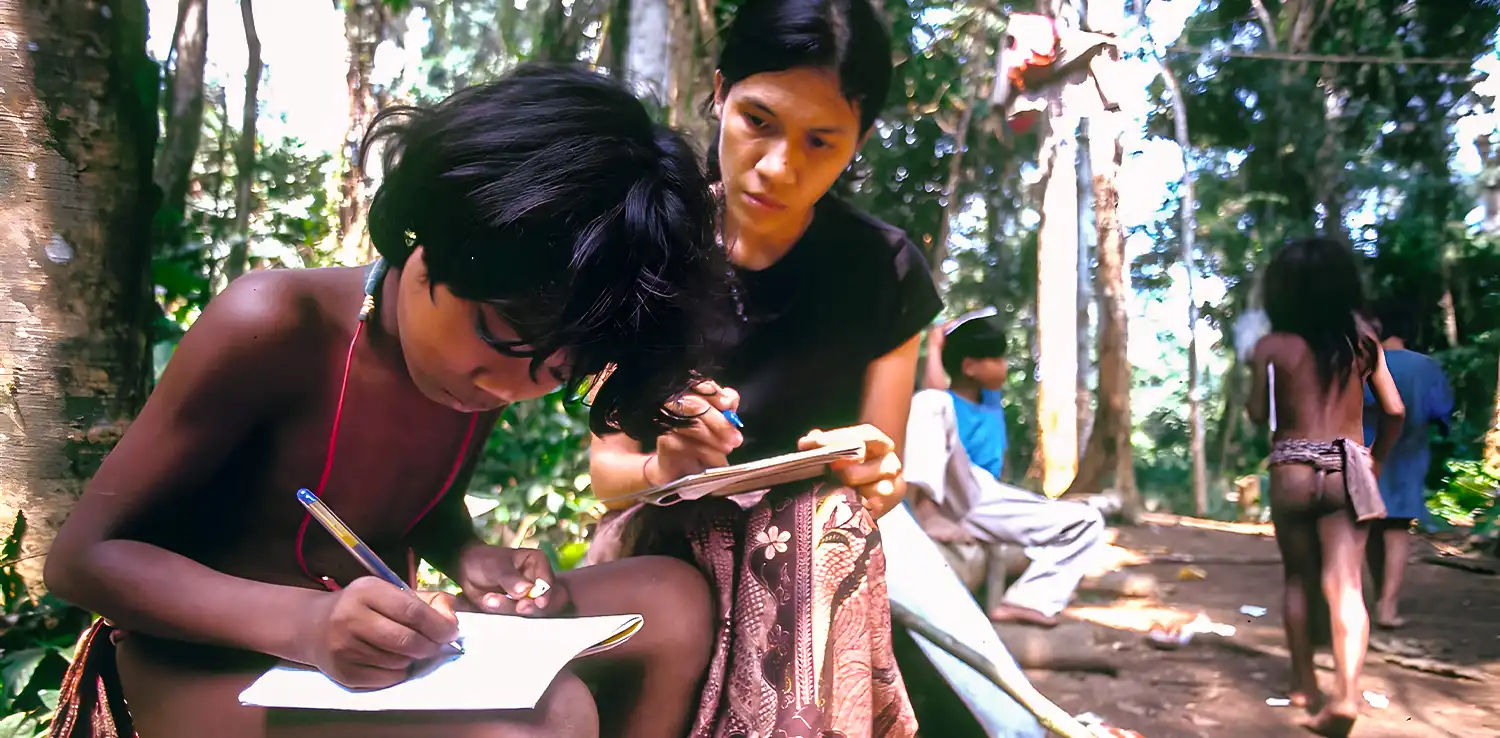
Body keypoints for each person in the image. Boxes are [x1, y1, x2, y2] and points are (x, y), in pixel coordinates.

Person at [44, 64, 724, 738]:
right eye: (498, 335)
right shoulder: (272, 322)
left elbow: (401, 495)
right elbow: (83, 560)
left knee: (673, 600)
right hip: (210, 667)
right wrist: (304, 626)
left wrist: (467, 555)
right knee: (546, 720)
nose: (505, 389)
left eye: (557, 370)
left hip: (374, 645)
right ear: (435, 237)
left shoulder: (481, 353)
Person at [585, 0, 936, 734]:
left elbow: (873, 476)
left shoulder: (885, 272)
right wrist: (664, 468)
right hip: (665, 537)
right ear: (719, 93)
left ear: (859, 143)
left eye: (821, 142)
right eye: (758, 121)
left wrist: (876, 475)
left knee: (826, 520)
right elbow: (609, 476)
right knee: (754, 532)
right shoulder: (653, 248)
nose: (779, 166)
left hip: (812, 555)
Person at [1246, 238, 1405, 738]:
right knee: (1346, 584)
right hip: (1348, 465)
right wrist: (1375, 460)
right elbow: (1395, 411)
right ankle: (1345, 696)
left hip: (1292, 465)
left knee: (1297, 579)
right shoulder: (1362, 345)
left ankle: (1301, 685)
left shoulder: (1271, 346)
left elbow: (1256, 413)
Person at [906, 316, 1106, 628]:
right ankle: (927, 512)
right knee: (932, 401)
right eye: (997, 359)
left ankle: (1030, 599)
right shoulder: (944, 402)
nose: (1005, 365)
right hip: (952, 487)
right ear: (970, 367)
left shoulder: (988, 398)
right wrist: (934, 345)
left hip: (985, 498)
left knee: (1087, 521)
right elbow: (932, 394)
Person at [1361, 299, 1453, 630]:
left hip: (1367, 454)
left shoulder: (1364, 360)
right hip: (1409, 455)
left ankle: (1362, 602)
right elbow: (1442, 413)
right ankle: (1387, 605)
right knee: (1398, 529)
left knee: (1368, 526)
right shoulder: (1426, 367)